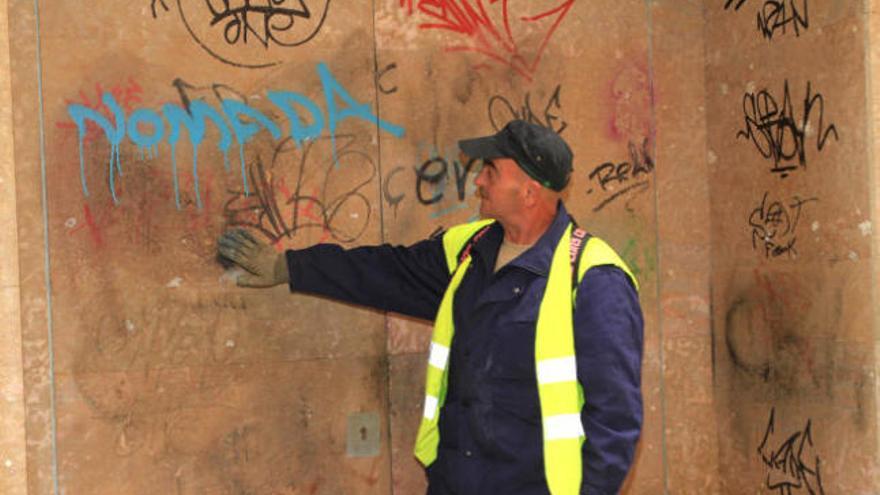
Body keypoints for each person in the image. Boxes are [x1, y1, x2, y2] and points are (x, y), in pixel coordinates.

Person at [217, 120, 644, 495]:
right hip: (456, 481)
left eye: (491, 171)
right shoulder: (472, 249)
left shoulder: (591, 277)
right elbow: (386, 272)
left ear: (529, 192)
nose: (478, 181)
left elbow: (616, 421)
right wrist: (290, 267)